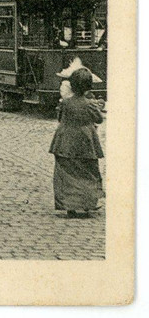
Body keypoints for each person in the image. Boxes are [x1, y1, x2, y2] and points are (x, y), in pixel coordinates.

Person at [50, 60, 105, 218]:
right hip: (86, 141)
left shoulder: (66, 102)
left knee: (66, 172)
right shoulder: (90, 104)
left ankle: (69, 207)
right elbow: (99, 119)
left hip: (65, 140)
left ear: (71, 85)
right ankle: (87, 205)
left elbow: (60, 118)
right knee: (88, 171)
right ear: (89, 87)